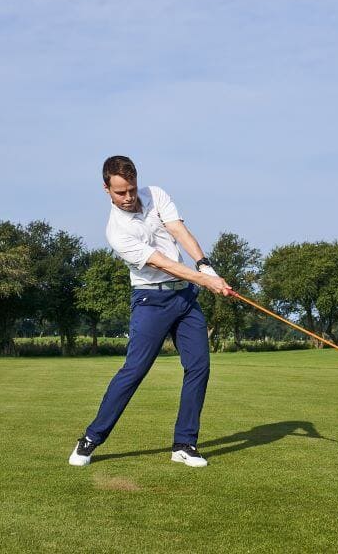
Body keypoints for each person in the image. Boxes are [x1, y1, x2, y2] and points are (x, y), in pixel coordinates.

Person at [69, 156, 232, 468]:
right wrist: (205, 280)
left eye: (131, 189)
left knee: (199, 366)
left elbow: (179, 230)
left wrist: (204, 263)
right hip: (150, 301)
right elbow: (162, 262)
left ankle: (184, 444)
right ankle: (91, 438)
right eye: (120, 193)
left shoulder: (156, 194)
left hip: (184, 298)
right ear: (106, 190)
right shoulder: (116, 231)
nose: (128, 197)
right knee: (135, 371)